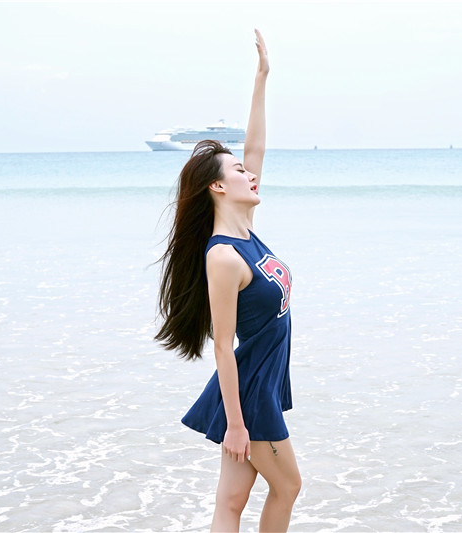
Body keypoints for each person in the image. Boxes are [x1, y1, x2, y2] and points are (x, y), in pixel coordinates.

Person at [155, 29, 301, 532]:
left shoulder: (246, 232)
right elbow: (221, 346)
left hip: (255, 381)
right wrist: (237, 424)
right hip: (250, 392)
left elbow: (256, 145)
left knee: (231, 505)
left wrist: (261, 79)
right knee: (288, 487)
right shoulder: (223, 255)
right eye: (240, 171)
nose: (252, 174)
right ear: (219, 186)